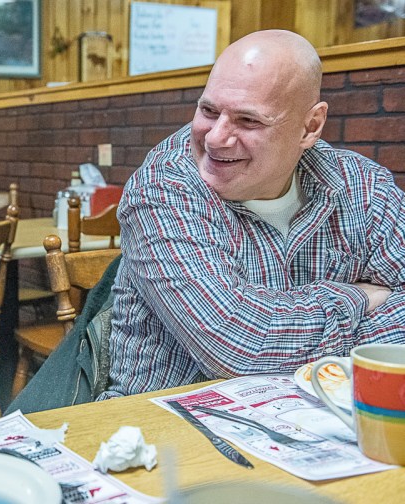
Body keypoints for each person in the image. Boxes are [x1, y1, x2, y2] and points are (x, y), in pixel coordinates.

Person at [100, 29, 405, 400]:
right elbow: (237, 347)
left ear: (310, 127)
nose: (214, 139)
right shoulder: (166, 186)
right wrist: (358, 300)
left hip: (324, 425)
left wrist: (277, 330)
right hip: (165, 430)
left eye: (248, 121)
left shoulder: (362, 186)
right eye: (208, 111)